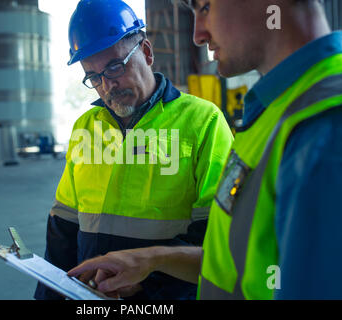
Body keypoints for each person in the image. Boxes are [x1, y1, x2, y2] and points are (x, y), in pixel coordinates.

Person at [68, 0, 342, 299]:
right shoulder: (275, 112)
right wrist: (151, 261)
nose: (198, 35)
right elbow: (231, 261)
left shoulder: (328, 123)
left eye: (205, 7)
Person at [34, 0, 234, 300]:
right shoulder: (86, 128)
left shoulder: (204, 122)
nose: (107, 85)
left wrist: (148, 284)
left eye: (114, 66)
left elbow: (216, 235)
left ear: (146, 52)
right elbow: (63, 227)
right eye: (94, 76)